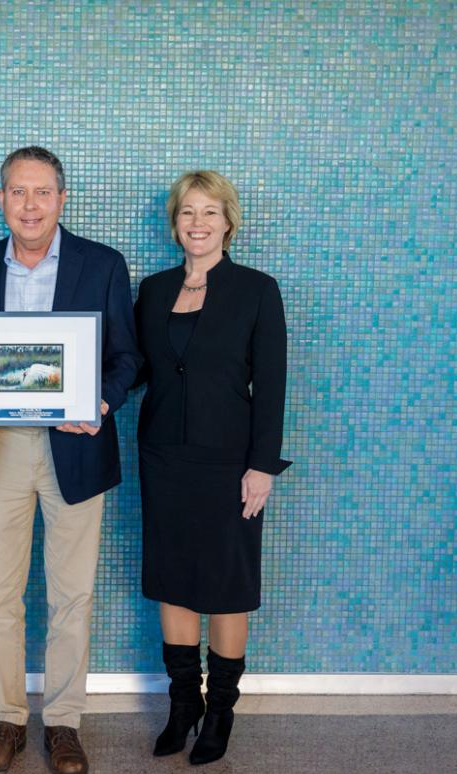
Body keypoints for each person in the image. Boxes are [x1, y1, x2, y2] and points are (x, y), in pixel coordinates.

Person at [0, 147, 140, 774]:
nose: (29, 205)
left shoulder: (102, 264)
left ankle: (65, 723)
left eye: (42, 192)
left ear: (62, 198)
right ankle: (6, 719)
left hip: (75, 445)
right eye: (18, 192)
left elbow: (128, 360)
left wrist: (101, 400)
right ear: (2, 200)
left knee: (72, 595)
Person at [133, 171, 290, 765]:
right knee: (172, 580)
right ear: (175, 223)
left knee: (225, 587)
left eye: (210, 213)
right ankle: (183, 706)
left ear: (229, 220)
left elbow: (271, 386)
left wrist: (261, 466)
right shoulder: (152, 289)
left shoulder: (256, 289)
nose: (198, 224)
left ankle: (220, 710)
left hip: (229, 464)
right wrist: (81, 396)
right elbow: (135, 367)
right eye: (187, 213)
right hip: (163, 457)